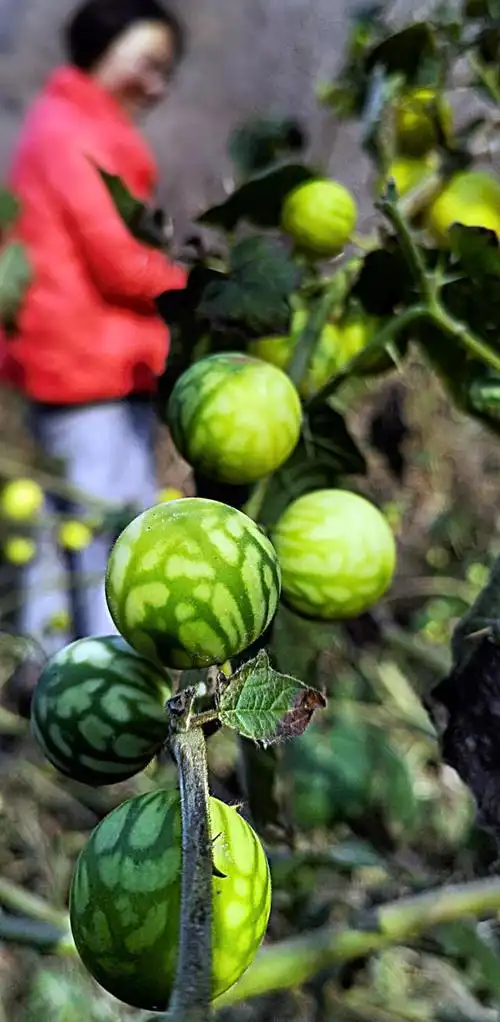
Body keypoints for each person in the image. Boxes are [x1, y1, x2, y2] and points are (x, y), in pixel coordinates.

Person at [1, 0, 188, 658]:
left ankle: (40, 674)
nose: (157, 85)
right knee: (114, 533)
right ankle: (110, 674)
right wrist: (197, 287)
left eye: (167, 71)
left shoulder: (64, 121)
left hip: (66, 361)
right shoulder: (76, 132)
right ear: (101, 50)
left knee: (67, 527)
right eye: (147, 64)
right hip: (91, 365)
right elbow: (115, 260)